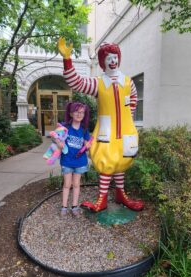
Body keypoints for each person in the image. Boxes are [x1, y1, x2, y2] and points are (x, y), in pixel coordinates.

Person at [58, 38, 144, 212]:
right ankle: (102, 199)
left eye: (115, 57)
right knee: (106, 162)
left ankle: (121, 194)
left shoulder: (128, 82)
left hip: (126, 131)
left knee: (122, 160)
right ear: (103, 62)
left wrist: (129, 118)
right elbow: (76, 82)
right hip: (106, 131)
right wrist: (67, 59)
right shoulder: (98, 82)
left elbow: (133, 98)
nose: (113, 61)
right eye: (109, 58)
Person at [57, 102, 91, 217]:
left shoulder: (84, 129)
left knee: (76, 184)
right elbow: (56, 138)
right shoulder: (65, 127)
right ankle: (64, 207)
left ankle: (75, 206)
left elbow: (87, 143)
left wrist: (88, 145)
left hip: (80, 162)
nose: (79, 114)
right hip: (67, 161)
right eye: (76, 111)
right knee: (67, 184)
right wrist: (59, 143)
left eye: (82, 112)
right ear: (71, 113)